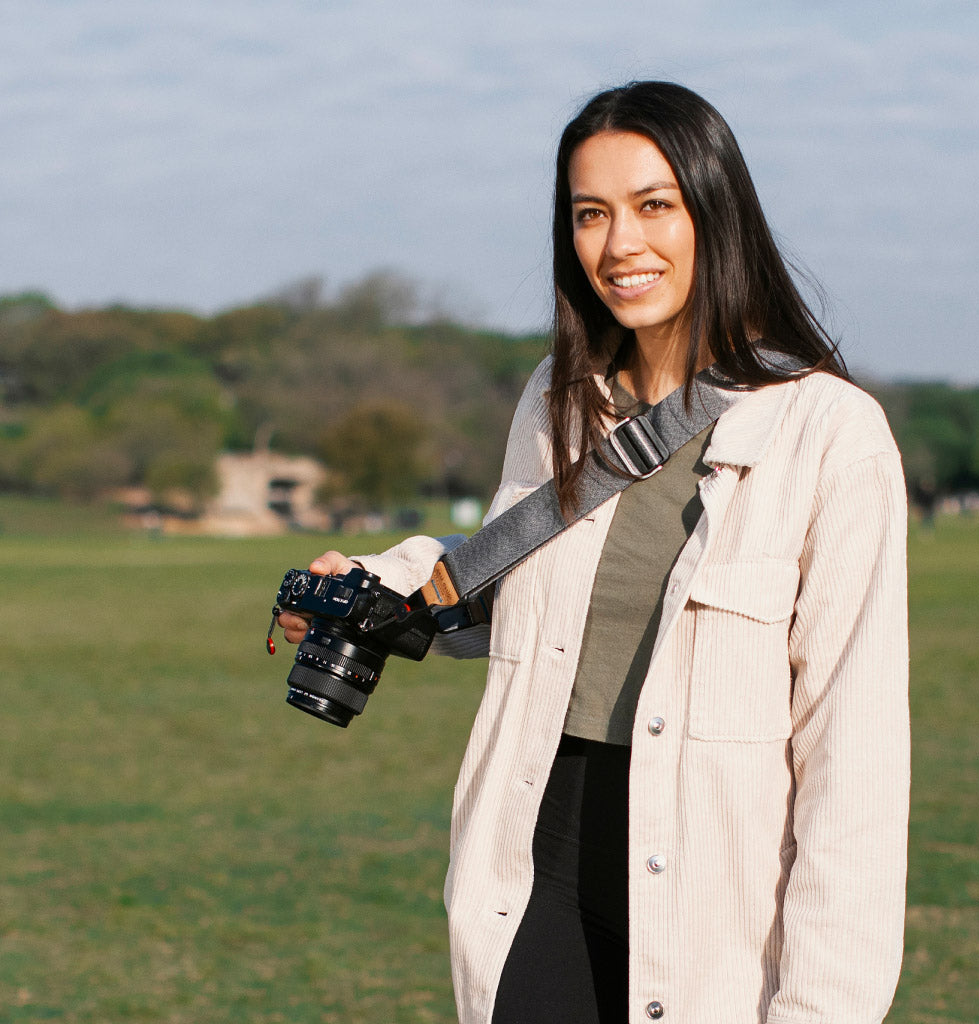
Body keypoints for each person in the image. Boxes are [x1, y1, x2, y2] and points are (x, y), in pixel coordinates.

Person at [278, 81, 910, 1024]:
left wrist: (822, 1008)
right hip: (537, 858)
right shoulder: (557, 396)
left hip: (713, 895)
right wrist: (387, 583)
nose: (621, 245)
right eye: (590, 214)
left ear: (716, 212)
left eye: (655, 205)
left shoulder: (831, 434)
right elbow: (518, 567)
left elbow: (851, 764)